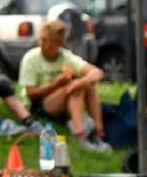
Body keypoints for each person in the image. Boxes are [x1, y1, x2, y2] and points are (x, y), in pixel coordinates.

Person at [18, 20, 107, 150]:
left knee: (86, 86)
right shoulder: (31, 58)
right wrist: (55, 85)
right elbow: (31, 93)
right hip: (40, 104)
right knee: (74, 88)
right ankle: (80, 136)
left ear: (59, 44)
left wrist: (82, 81)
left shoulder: (65, 57)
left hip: (64, 98)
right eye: (41, 39)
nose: (42, 44)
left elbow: (96, 72)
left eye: (47, 41)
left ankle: (99, 133)